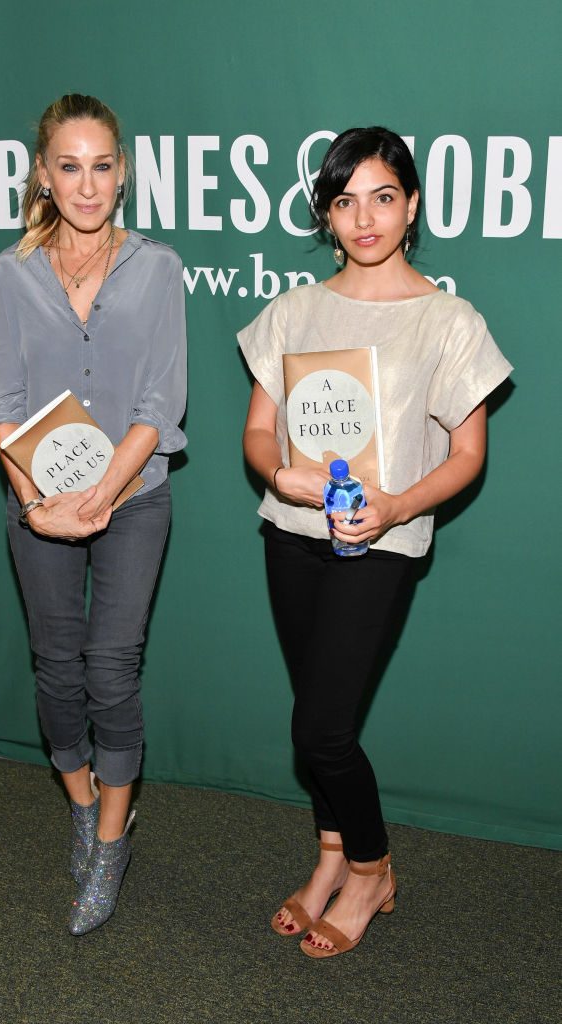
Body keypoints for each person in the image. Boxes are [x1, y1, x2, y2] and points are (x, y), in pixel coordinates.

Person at [238, 127, 511, 960]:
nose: (363, 218)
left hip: (383, 542)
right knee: (314, 719)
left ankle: (370, 867)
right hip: (290, 534)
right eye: (344, 200)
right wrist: (279, 476)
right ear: (325, 213)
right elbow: (257, 432)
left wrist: (394, 506)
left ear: (412, 205)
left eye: (381, 197)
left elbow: (467, 455)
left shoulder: (450, 320)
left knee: (322, 729)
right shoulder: (292, 310)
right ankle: (327, 858)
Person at [0, 94, 186, 936]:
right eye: (69, 165)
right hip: (38, 499)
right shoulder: (12, 271)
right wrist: (37, 504)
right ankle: (80, 801)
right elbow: (2, 404)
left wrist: (103, 492)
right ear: (42, 173)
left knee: (112, 667)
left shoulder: (158, 267)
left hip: (132, 497)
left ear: (122, 172)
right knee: (56, 669)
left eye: (102, 165)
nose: (87, 183)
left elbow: (160, 399)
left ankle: (111, 840)